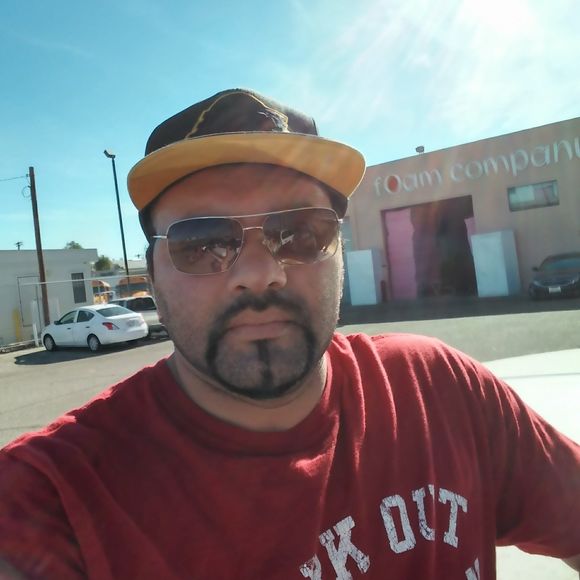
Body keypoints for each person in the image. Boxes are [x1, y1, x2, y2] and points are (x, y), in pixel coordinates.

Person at [0, 88, 579, 580]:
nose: (260, 274)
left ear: (339, 254)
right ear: (151, 275)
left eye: (300, 233)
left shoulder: (442, 390)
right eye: (203, 243)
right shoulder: (52, 496)